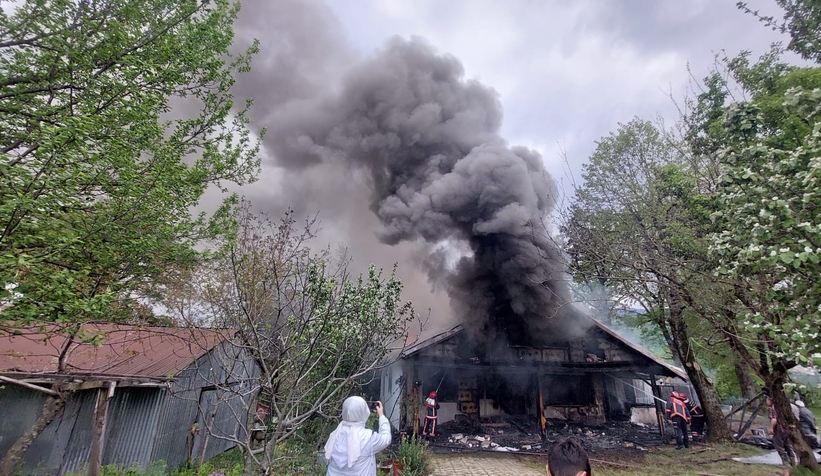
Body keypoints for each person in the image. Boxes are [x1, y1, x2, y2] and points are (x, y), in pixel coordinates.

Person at [324, 396, 391, 476]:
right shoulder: (367, 437)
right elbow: (386, 439)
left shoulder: (335, 434)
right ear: (363, 412)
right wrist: (381, 416)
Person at [768, 396, 796, 467]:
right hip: (787, 429)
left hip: (779, 429)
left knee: (779, 446)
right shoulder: (784, 407)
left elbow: (774, 419)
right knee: (788, 445)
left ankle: (785, 462)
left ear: (770, 400)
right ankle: (793, 462)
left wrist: (771, 428)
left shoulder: (773, 407)